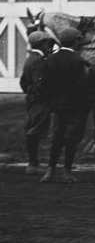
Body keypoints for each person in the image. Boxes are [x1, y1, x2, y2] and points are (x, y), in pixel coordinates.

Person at [40, 27, 91, 183]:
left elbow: (45, 85)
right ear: (75, 42)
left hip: (57, 105)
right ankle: (66, 172)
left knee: (57, 138)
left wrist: (51, 103)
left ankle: (49, 171)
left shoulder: (50, 59)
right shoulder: (78, 60)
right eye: (78, 40)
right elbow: (82, 86)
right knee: (71, 139)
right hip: (75, 105)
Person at [21, 31, 55, 175]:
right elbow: (40, 84)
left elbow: (23, 82)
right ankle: (33, 164)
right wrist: (46, 98)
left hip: (33, 99)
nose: (49, 46)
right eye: (47, 43)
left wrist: (30, 93)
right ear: (42, 44)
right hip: (40, 101)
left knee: (33, 129)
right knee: (35, 130)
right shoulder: (38, 61)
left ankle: (33, 162)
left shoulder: (31, 59)